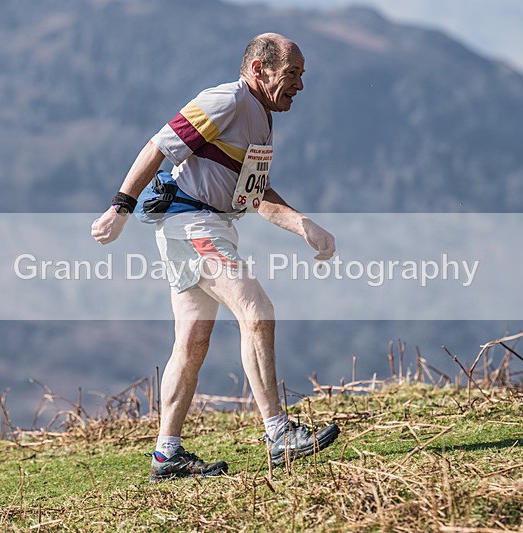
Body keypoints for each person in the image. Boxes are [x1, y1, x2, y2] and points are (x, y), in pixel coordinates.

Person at [91, 33, 339, 482]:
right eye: (293, 74)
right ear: (259, 69)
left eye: (303, 75)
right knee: (256, 310)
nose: (301, 85)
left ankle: (167, 456)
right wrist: (119, 207)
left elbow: (254, 193)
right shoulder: (227, 99)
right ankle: (278, 433)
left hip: (208, 226)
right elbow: (158, 146)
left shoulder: (260, 115)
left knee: (191, 344)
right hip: (193, 227)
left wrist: (305, 226)